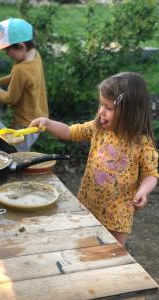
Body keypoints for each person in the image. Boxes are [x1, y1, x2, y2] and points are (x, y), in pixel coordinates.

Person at [30, 72, 159, 247]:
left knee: (112, 253)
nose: (101, 112)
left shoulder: (141, 142)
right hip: (88, 203)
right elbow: (70, 132)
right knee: (84, 246)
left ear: (130, 111)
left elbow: (151, 174)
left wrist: (143, 190)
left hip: (118, 215)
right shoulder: (99, 128)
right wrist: (48, 123)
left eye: (108, 108)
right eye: (101, 104)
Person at [0, 17, 49, 152]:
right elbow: (17, 78)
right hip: (39, 117)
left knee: (18, 154)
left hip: (25, 125)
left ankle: (25, 171)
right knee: (20, 150)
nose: (6, 53)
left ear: (21, 46)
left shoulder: (21, 69)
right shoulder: (34, 56)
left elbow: (10, 99)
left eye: (7, 50)